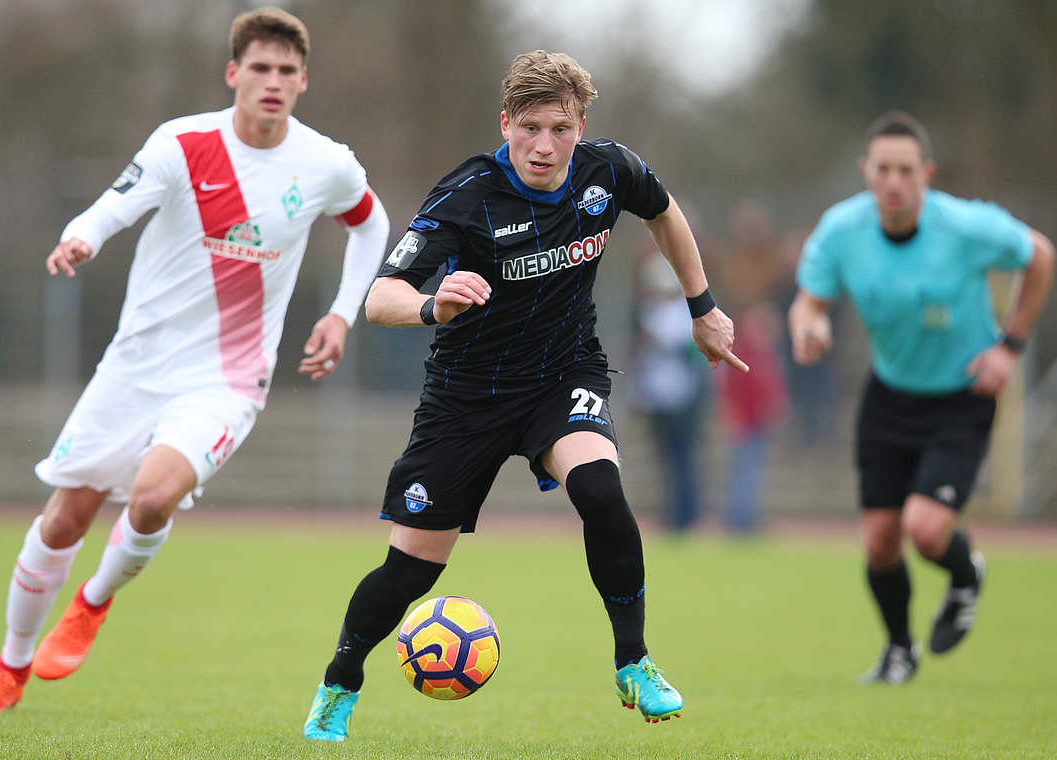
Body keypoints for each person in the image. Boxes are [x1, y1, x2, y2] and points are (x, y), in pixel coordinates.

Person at [300, 50, 747, 742]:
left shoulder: (610, 170)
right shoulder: (469, 193)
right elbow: (380, 296)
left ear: (581, 126)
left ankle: (634, 660)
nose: (544, 145)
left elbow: (665, 216)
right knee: (408, 571)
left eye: (560, 129)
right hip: (465, 398)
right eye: (530, 127)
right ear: (505, 123)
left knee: (600, 490)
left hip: (563, 375)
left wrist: (703, 306)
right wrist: (431, 305)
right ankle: (341, 679)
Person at [0, 7, 390, 715]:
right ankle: (8, 668)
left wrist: (342, 312)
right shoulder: (183, 144)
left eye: (286, 71)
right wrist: (81, 239)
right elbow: (110, 208)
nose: (272, 82)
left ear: (303, 80)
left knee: (154, 497)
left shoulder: (325, 164)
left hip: (227, 378)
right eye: (260, 68)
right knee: (67, 517)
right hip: (134, 368)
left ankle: (92, 603)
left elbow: (372, 221)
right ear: (233, 74)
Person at [789, 111, 1055, 684]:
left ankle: (966, 575)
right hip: (888, 395)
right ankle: (899, 651)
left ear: (926, 175)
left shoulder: (966, 226)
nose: (893, 182)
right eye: (883, 169)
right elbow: (809, 302)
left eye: (906, 170)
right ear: (866, 171)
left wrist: (1011, 345)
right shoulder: (840, 230)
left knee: (926, 530)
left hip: (963, 394)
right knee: (881, 542)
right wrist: (810, 327)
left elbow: (1041, 255)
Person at [631, 251, 711, 533]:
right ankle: (673, 514)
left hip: (681, 397)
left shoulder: (681, 313)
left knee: (682, 459)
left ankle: (686, 515)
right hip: (660, 398)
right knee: (667, 460)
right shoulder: (651, 312)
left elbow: (681, 351)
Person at [715, 300, 787, 534]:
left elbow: (770, 386)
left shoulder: (761, 353)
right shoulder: (745, 352)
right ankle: (740, 519)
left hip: (756, 419)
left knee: (749, 469)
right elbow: (733, 386)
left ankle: (745, 516)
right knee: (745, 469)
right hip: (745, 419)